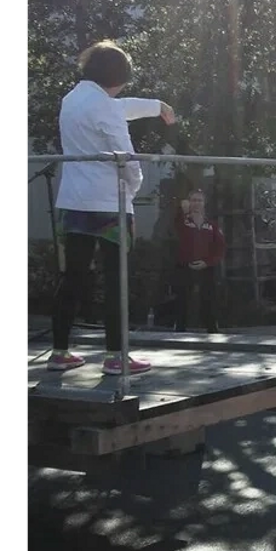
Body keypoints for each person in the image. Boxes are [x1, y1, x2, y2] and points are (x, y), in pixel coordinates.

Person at [48, 40, 178, 375]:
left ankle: (59, 351)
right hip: (109, 204)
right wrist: (132, 191)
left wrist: (154, 105)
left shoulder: (73, 99)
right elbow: (125, 156)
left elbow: (119, 109)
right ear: (115, 77)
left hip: (74, 201)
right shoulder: (104, 106)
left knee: (72, 277)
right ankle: (115, 357)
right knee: (116, 279)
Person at [175, 189, 226, 333]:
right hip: (185, 267)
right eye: (193, 200)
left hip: (206, 268)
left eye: (199, 200)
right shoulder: (182, 222)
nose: (196, 203)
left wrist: (207, 262)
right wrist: (185, 213)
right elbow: (177, 233)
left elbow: (220, 249)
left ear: (204, 203)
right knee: (182, 301)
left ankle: (212, 331)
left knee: (209, 300)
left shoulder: (211, 225)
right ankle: (179, 331)